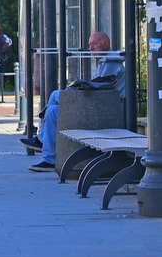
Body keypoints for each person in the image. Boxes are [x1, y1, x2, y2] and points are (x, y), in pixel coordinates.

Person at [21, 31, 125, 172]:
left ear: (105, 44)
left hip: (105, 110)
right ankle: (43, 145)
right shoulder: (104, 61)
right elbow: (99, 85)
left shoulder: (111, 61)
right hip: (100, 103)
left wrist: (81, 87)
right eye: (89, 44)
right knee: (55, 99)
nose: (91, 48)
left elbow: (101, 85)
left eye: (95, 44)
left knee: (54, 106)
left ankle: (47, 154)